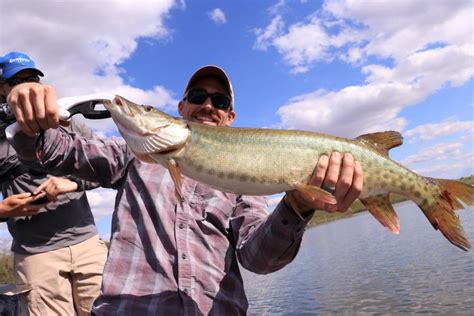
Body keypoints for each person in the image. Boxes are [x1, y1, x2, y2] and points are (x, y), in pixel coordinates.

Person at [6, 64, 363, 315]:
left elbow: (259, 259)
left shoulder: (243, 185)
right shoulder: (133, 156)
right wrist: (27, 114)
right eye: (198, 95)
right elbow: (57, 150)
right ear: (180, 109)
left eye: (220, 102)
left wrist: (297, 206)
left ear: (230, 118)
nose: (208, 105)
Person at [0, 51, 108, 316]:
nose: (27, 85)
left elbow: (106, 168)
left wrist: (70, 183)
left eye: (32, 78)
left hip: (89, 246)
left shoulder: (69, 122)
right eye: (17, 80)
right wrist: (4, 211)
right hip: (36, 256)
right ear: (2, 89)